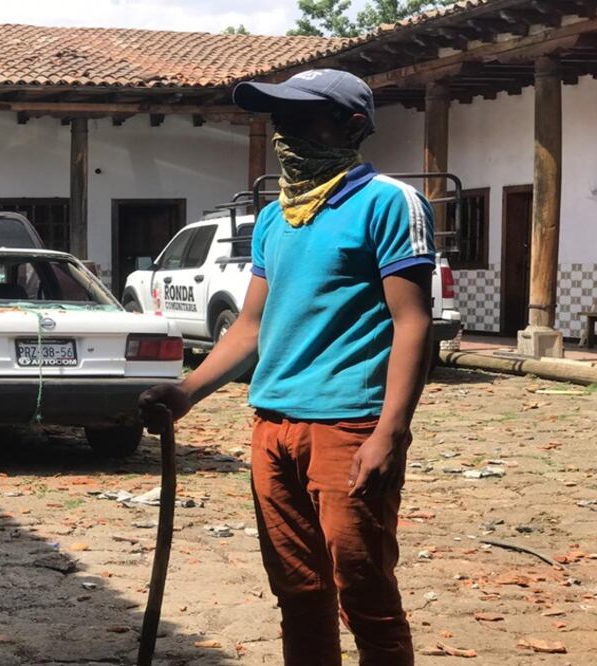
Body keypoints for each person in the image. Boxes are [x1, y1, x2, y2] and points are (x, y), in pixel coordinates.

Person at [139, 69, 434, 665]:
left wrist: (389, 432)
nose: (284, 131)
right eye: (278, 119)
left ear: (351, 126)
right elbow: (249, 326)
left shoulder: (389, 203)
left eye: (300, 118)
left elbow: (413, 322)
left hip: (349, 426)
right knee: (298, 590)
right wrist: (186, 391)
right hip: (272, 424)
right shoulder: (277, 218)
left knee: (364, 588)